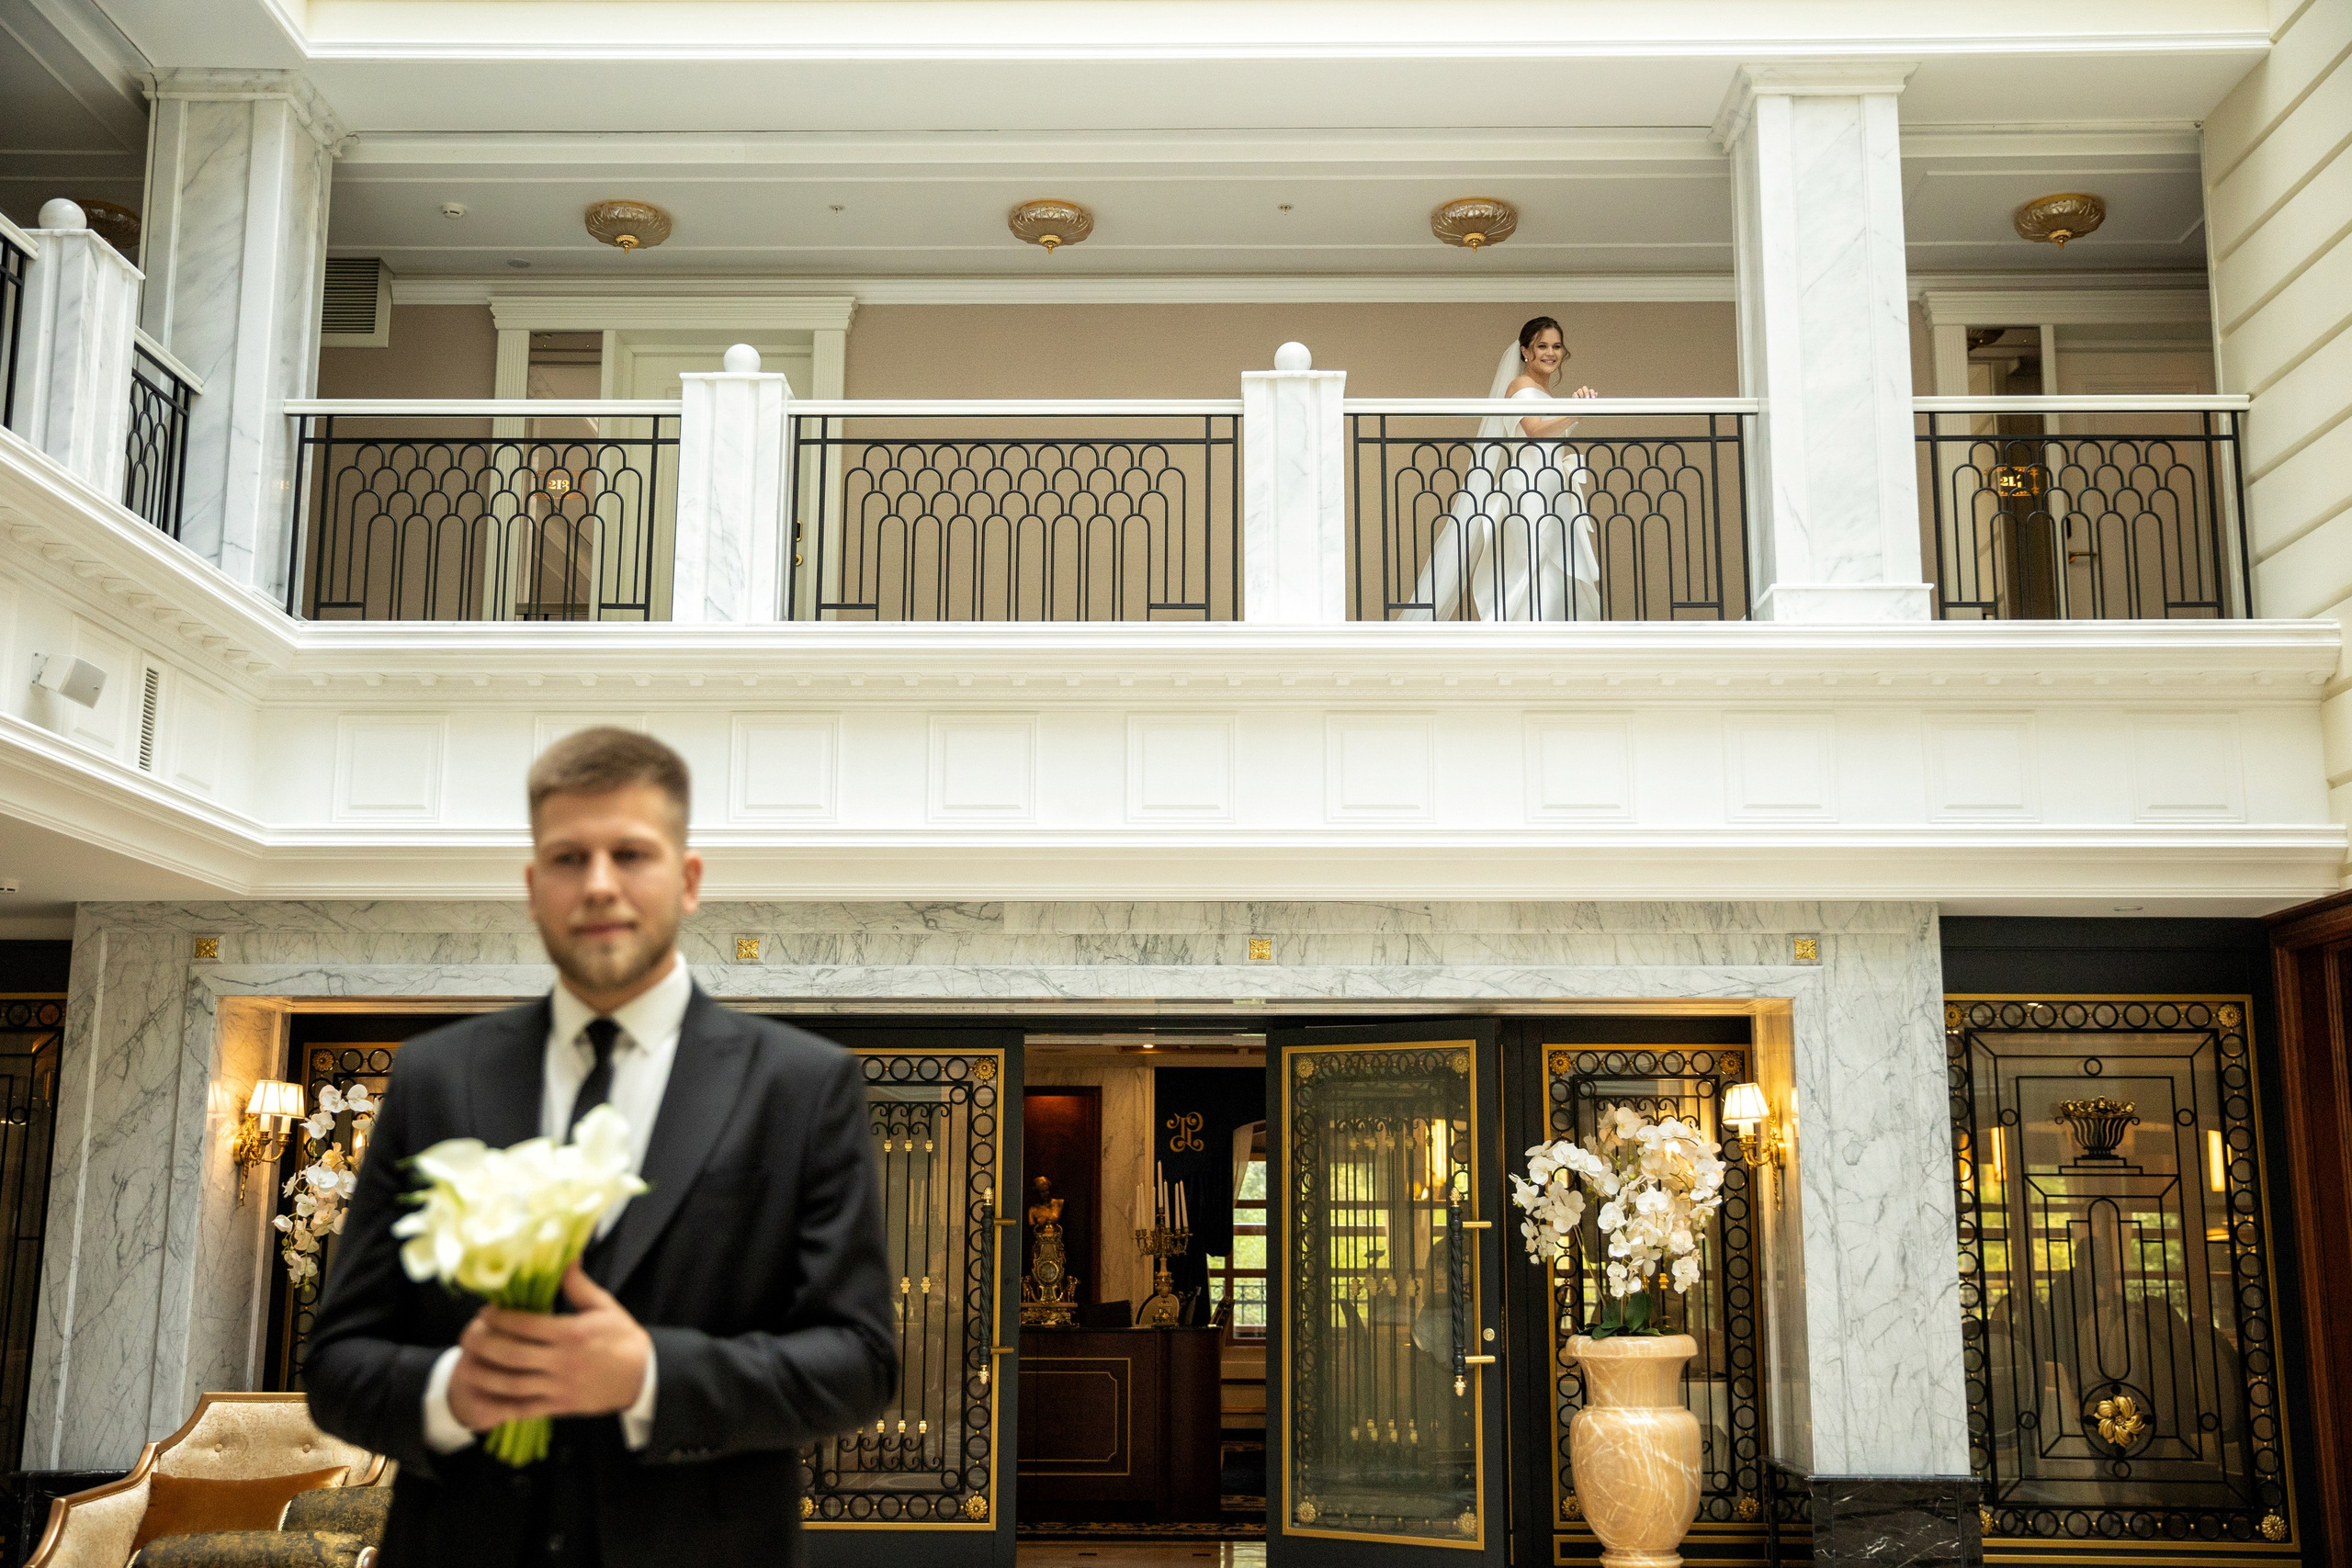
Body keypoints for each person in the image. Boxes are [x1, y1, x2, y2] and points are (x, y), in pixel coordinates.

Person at [307, 727, 897, 1568]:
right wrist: (450, 1392)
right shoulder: (435, 1076)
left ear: (688, 879)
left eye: (630, 853)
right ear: (532, 886)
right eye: (567, 857)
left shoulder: (802, 1085)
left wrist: (651, 1373)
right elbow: (336, 1362)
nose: (598, 883)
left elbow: (859, 1363)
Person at [1402, 315, 1602, 621]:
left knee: (1557, 569)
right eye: (1542, 346)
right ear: (1525, 351)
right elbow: (1534, 431)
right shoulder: (1520, 385)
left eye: (1557, 346)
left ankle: (1554, 636)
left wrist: (1571, 410)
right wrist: (1575, 412)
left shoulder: (1546, 393)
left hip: (1555, 490)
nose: (1550, 353)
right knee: (1532, 566)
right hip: (1529, 489)